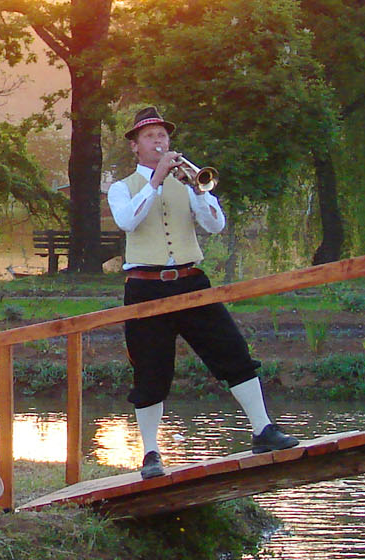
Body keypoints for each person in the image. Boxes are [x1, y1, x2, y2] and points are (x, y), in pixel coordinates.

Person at [107, 106, 299, 480]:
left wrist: (198, 190)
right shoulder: (121, 188)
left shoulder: (188, 182)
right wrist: (155, 181)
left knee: (232, 351)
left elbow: (214, 225)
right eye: (149, 136)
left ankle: (263, 429)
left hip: (192, 281)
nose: (159, 141)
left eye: (163, 135)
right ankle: (150, 454)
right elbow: (127, 221)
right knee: (150, 370)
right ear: (135, 146)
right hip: (145, 286)